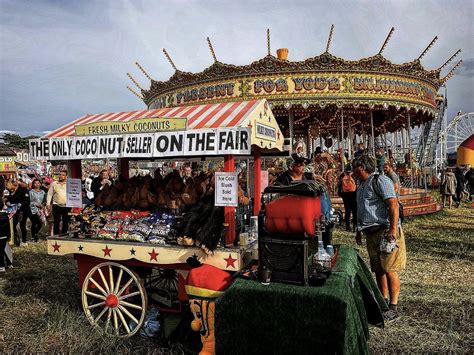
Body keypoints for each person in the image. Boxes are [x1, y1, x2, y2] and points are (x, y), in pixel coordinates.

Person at [352, 154, 406, 322]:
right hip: (370, 233)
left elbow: (393, 204)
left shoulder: (380, 181)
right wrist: (359, 230)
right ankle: (382, 301)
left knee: (390, 269)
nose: (352, 170)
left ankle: (393, 306)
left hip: (385, 231)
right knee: (378, 269)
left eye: (355, 167)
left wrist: (392, 229)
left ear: (362, 167)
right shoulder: (361, 185)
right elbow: (362, 208)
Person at [6, 179, 31, 246]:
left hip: (23, 211)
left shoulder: (23, 189)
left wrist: (20, 204)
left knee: (22, 226)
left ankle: (24, 240)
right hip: (13, 211)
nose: (9, 185)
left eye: (10, 183)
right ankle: (16, 239)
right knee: (13, 225)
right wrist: (7, 202)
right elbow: (8, 199)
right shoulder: (10, 191)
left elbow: (27, 200)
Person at [47, 170, 70, 235]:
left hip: (67, 205)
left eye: (63, 175)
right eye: (60, 174)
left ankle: (64, 234)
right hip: (56, 204)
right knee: (57, 220)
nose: (60, 176)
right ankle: (56, 234)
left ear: (66, 176)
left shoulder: (69, 184)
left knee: (66, 221)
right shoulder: (54, 183)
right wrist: (48, 203)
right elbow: (49, 194)